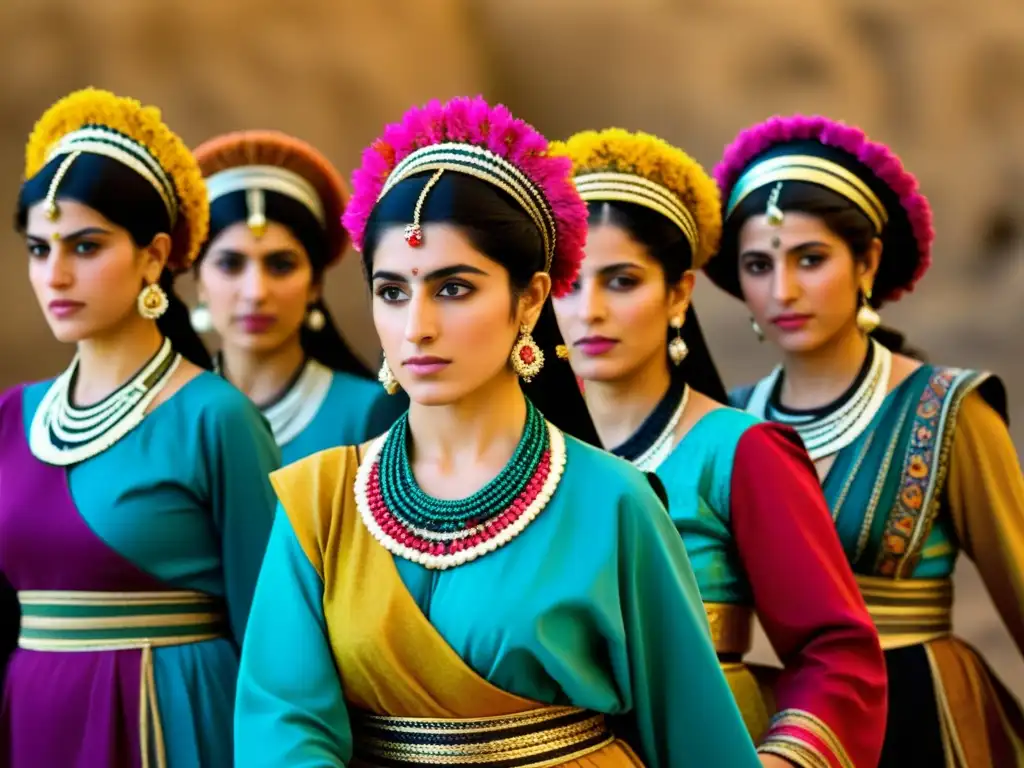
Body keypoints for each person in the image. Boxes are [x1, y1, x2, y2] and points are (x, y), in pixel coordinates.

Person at [234, 96, 763, 767]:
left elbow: (698, 741)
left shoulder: (614, 503)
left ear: (532, 299)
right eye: (392, 291)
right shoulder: (319, 504)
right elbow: (283, 727)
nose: (416, 326)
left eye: (453, 288)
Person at [551, 127, 887, 768]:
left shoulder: (742, 451)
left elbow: (836, 650)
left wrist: (785, 761)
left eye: (622, 281)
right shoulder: (528, 452)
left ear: (679, 292)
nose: (589, 310)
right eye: (571, 284)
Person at [710, 113, 1024, 767]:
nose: (783, 290)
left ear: (868, 261)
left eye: (810, 259)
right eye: (758, 265)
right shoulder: (729, 425)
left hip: (930, 716)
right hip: (795, 729)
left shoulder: (947, 410)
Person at [0, 88, 281, 767]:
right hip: (33, 718)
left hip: (170, 720)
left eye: (85, 246)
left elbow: (273, 637)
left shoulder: (215, 418)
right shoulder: (13, 416)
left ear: (154, 257)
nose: (55, 274)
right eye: (40, 248)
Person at [191, 131, 406, 463]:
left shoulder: (370, 415)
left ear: (315, 285)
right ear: (199, 282)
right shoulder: (172, 415)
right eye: (230, 264)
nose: (256, 292)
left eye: (281, 265)